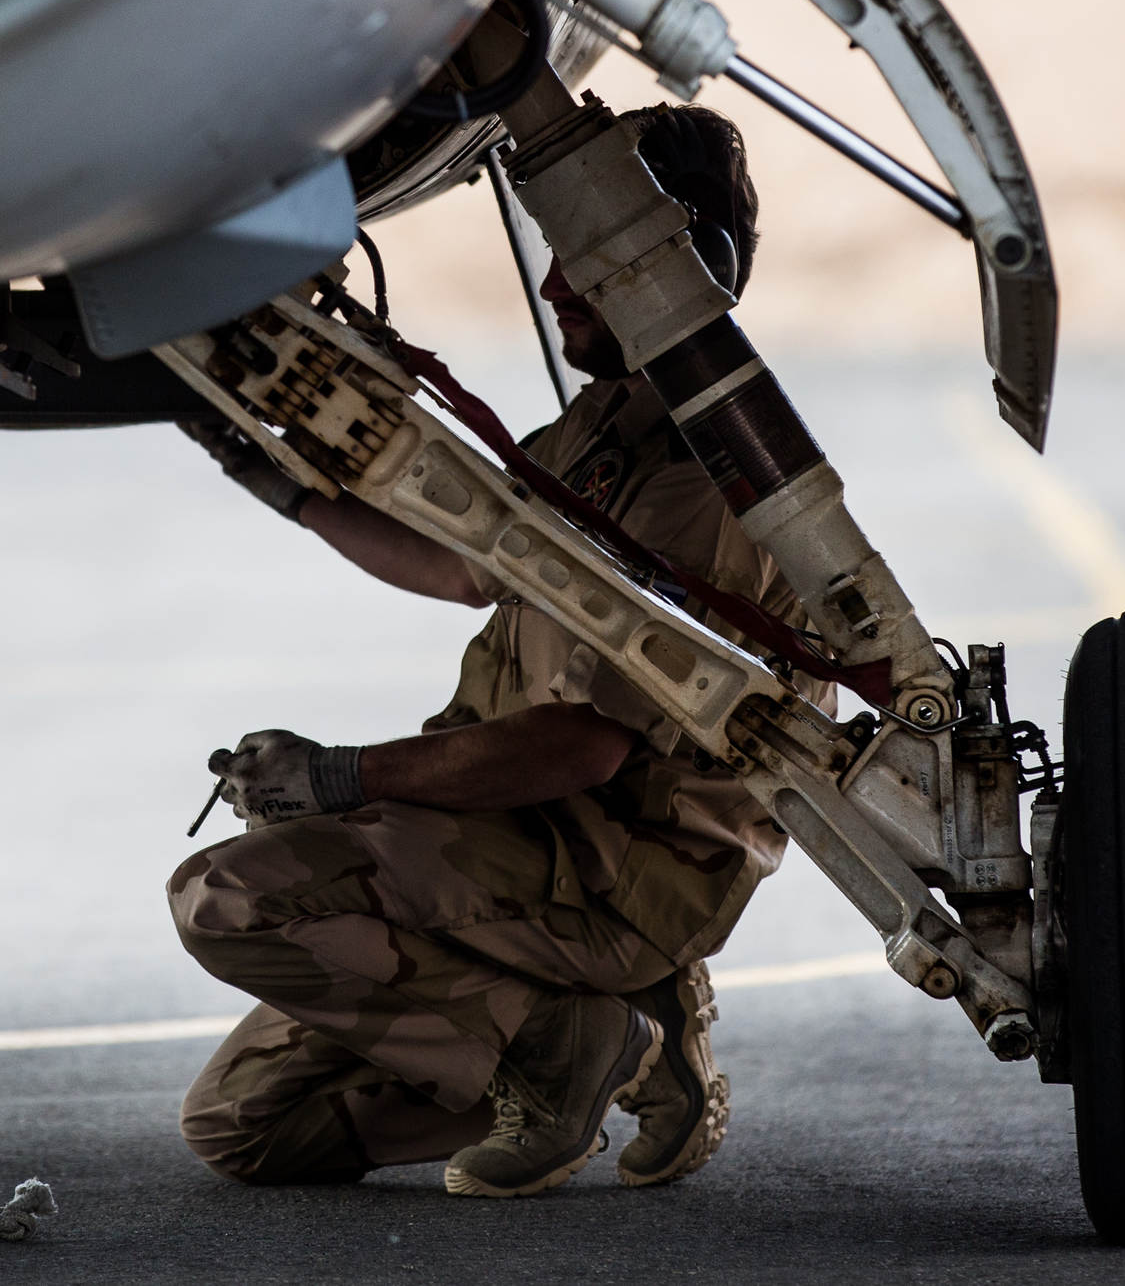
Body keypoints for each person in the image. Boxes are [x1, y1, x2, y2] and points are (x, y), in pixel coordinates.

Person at [170, 104, 838, 1197]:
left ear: (686, 270)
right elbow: (465, 564)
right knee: (243, 1130)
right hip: (519, 841)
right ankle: (610, 1028)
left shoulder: (703, 483)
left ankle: (568, 1038)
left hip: (607, 871)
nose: (555, 285)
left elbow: (581, 746)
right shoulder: (602, 426)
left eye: (583, 260)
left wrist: (341, 778)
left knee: (226, 898)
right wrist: (275, 479)